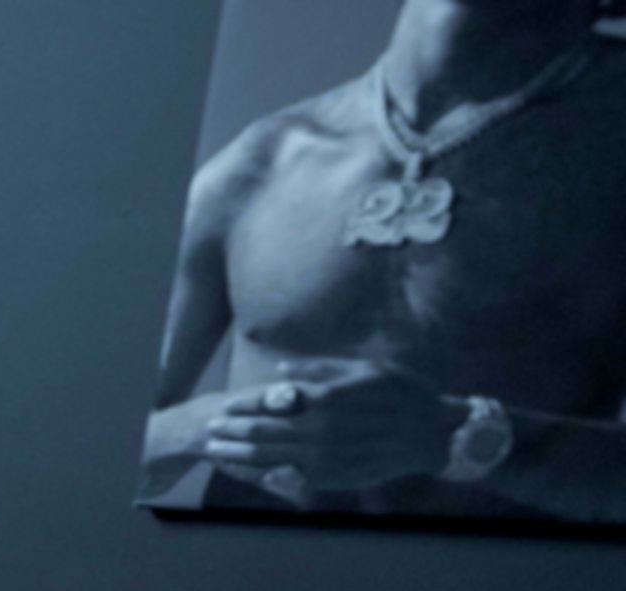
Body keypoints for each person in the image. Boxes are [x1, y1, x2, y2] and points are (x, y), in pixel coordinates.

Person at [143, 0, 626, 520]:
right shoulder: (262, 159)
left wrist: (455, 439)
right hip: (244, 588)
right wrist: (207, 428)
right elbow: (100, 446)